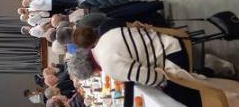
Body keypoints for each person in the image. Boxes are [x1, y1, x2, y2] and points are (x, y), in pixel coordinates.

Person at [68, 25, 200, 105]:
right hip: (165, 39)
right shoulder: (104, 37)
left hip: (171, 55)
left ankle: (209, 80)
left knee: (176, 100)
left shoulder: (109, 66)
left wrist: (160, 86)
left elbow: (152, 77)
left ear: (92, 72)